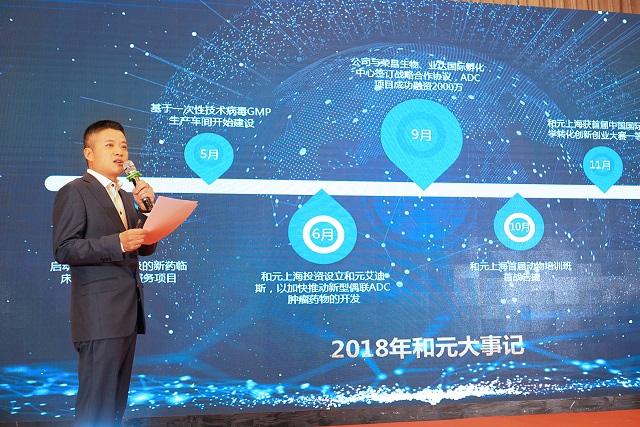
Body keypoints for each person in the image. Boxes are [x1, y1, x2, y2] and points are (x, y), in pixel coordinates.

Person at [52, 120, 158, 426]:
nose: (119, 152)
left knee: (114, 406)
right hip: (99, 316)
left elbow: (144, 248)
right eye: (109, 145)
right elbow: (64, 249)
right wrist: (117, 242)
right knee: (96, 406)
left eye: (123, 146)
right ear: (89, 153)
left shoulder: (125, 196)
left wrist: (147, 213)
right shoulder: (75, 191)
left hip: (127, 313)